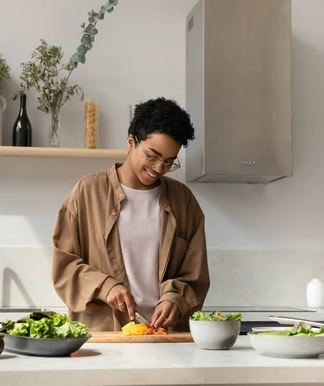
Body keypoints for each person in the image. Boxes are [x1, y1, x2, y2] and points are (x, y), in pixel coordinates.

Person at [51, 97, 210, 331]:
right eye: (151, 156)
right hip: (105, 337)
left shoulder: (183, 201)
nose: (158, 168)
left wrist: (174, 298)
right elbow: (63, 266)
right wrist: (105, 286)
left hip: (165, 339)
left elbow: (195, 275)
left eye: (169, 162)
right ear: (130, 142)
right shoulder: (87, 193)